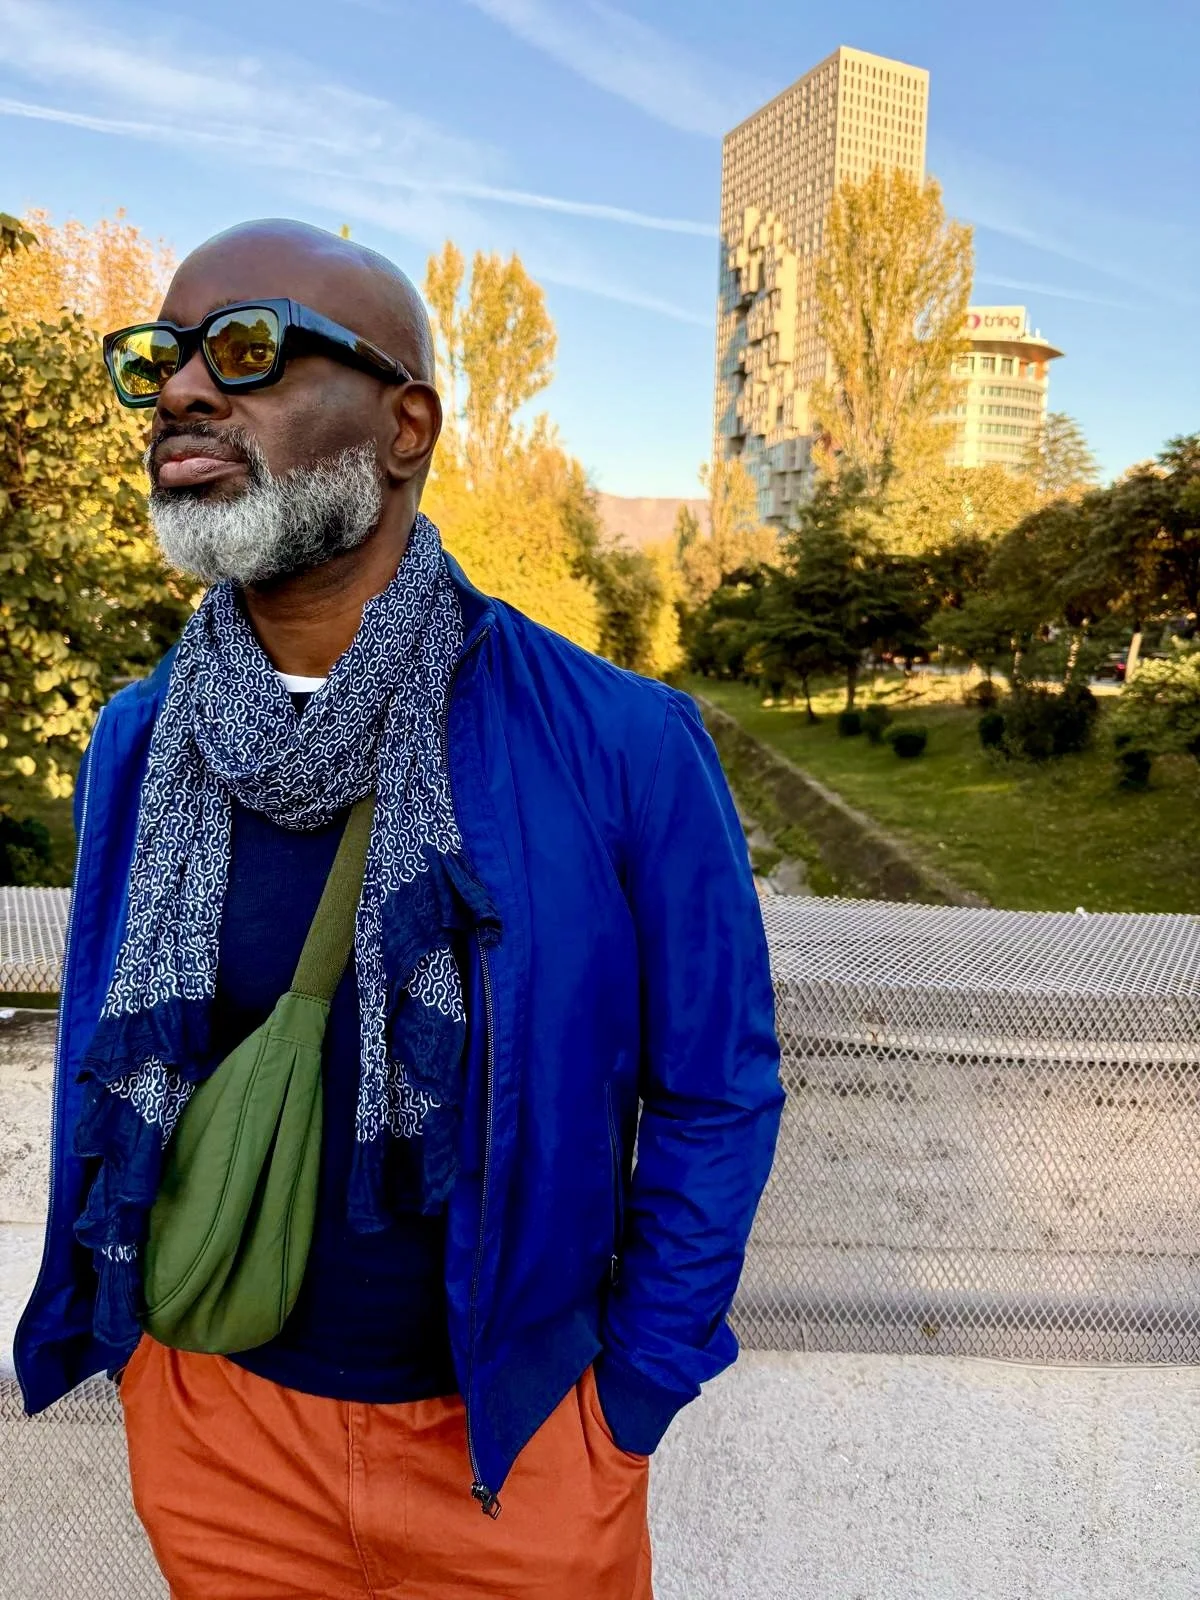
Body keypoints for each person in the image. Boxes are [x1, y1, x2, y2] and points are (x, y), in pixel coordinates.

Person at [15, 219, 783, 1599]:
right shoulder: (143, 740)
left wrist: (627, 1406)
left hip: (517, 1448)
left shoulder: (620, 741)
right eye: (160, 359)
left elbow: (717, 1086)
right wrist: (140, 1370)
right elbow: (107, 1048)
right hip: (216, 1429)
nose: (185, 389)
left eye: (246, 348)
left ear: (405, 423)